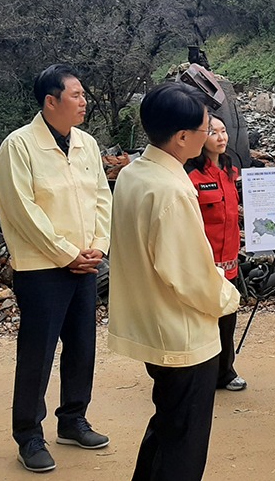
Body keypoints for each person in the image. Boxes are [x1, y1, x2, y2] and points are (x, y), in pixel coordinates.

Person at [108, 82, 241, 481]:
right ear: (182, 137)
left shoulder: (136, 173)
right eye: (205, 128)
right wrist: (226, 294)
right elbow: (189, 276)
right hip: (182, 334)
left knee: (167, 427)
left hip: (154, 322)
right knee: (184, 442)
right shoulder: (170, 190)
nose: (210, 135)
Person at [0, 64, 112, 472]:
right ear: (51, 101)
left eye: (83, 94)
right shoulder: (19, 146)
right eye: (77, 95)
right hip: (42, 267)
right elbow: (22, 211)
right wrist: (66, 253)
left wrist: (98, 246)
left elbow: (102, 197)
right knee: (38, 352)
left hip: (85, 263)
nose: (84, 101)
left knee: (83, 346)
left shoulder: (86, 144)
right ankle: (29, 435)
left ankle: (73, 420)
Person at [186, 114, 247, 392]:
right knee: (202, 319)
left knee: (227, 316)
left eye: (223, 131)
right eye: (213, 132)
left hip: (230, 260)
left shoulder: (230, 170)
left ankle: (225, 371)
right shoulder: (191, 176)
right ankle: (200, 373)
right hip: (204, 263)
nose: (221, 137)